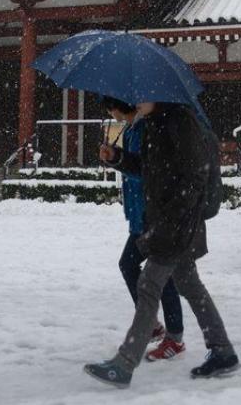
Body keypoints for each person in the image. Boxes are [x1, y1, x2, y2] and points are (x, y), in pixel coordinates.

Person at [84, 100, 239, 389]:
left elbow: (195, 176)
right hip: (168, 221)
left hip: (175, 225)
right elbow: (149, 169)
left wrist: (173, 217)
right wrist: (117, 157)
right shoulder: (156, 124)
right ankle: (223, 351)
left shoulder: (180, 122)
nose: (134, 99)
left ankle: (124, 363)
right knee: (190, 286)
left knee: (148, 285)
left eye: (141, 94)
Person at [101, 96, 186, 361]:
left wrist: (119, 160)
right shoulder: (133, 128)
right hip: (141, 214)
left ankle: (174, 336)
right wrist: (115, 157)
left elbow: (146, 170)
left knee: (163, 275)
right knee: (134, 266)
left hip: (153, 213)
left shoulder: (148, 128)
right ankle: (154, 325)